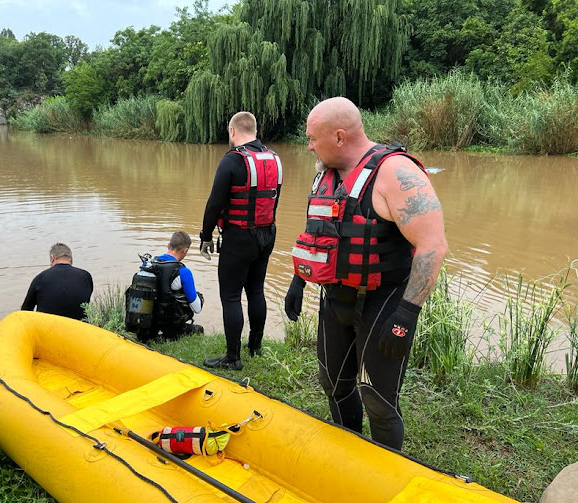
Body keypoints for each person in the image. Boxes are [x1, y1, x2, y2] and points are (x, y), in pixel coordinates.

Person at [285, 97, 448, 450]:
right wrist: (299, 280)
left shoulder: (396, 173)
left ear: (339, 136)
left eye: (313, 138)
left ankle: (387, 469)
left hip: (384, 303)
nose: (309, 144)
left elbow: (432, 246)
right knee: (334, 384)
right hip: (335, 299)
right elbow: (319, 230)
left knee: (377, 398)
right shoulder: (324, 175)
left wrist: (406, 314)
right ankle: (351, 455)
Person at [199, 111, 283, 370]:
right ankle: (255, 347)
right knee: (256, 290)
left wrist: (205, 236)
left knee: (231, 296)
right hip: (267, 235)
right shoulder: (275, 159)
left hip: (238, 237)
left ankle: (233, 357)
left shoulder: (232, 161)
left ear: (233, 131)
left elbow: (214, 204)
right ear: (254, 130)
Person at [126, 231, 204, 341]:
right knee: (198, 329)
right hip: (168, 328)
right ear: (185, 251)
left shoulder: (148, 265)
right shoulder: (183, 272)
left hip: (145, 326)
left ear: (168, 245)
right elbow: (197, 308)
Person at [21, 243, 93, 321]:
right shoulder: (86, 276)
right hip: (79, 329)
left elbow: (25, 311)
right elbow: (86, 302)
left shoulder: (40, 278)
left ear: (52, 258)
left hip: (48, 330)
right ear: (71, 259)